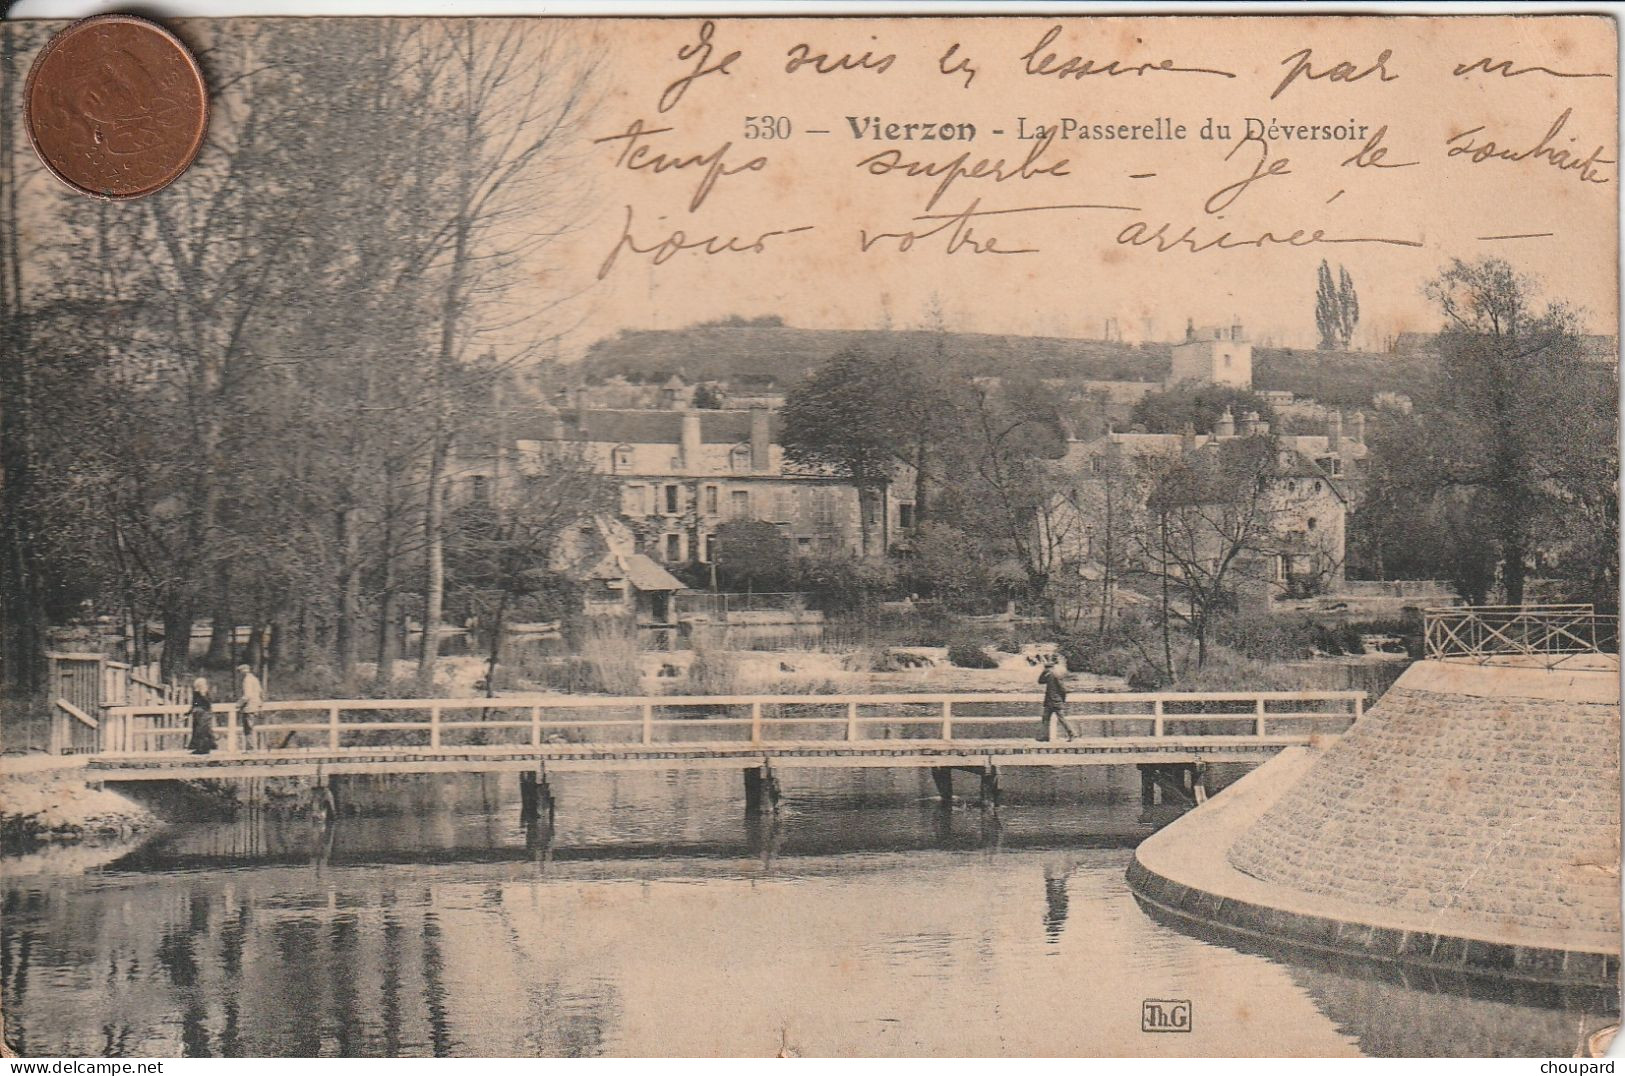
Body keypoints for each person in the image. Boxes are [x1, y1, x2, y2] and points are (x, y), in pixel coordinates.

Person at [1038, 659, 1079, 741]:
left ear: (1051, 668)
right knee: (1046, 719)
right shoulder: (1049, 675)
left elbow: (1063, 690)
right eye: (1045, 668)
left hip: (1055, 702)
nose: (1046, 669)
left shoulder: (1055, 675)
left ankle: (1072, 734)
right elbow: (1040, 681)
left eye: (1047, 668)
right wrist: (1043, 673)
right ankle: (1045, 736)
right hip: (1050, 702)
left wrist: (1062, 701)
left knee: (1061, 719)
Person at [236, 663, 262, 750]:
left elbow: (247, 695)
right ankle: (252, 747)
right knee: (251, 727)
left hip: (249, 708)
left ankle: (251, 748)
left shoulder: (247, 680)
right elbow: (259, 692)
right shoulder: (255, 679)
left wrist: (238, 704)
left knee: (248, 729)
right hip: (255, 707)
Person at [186, 677, 216, 755]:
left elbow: (208, 703)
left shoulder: (207, 693)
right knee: (197, 731)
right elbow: (193, 704)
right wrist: (187, 714)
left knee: (204, 731)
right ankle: (199, 748)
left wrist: (203, 694)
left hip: (205, 714)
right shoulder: (195, 693)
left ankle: (205, 749)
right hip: (197, 715)